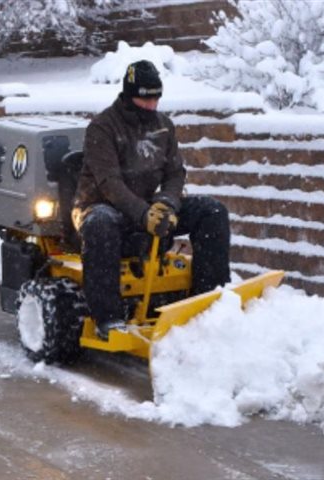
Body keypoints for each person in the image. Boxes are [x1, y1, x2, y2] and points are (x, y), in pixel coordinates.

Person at [72, 60, 230, 340]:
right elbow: (109, 183)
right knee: (100, 224)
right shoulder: (103, 128)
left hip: (150, 205)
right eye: (145, 98)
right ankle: (108, 318)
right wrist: (144, 214)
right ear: (129, 95)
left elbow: (175, 173)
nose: (151, 104)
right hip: (102, 206)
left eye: (156, 97)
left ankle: (208, 298)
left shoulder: (163, 127)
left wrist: (167, 204)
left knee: (212, 211)